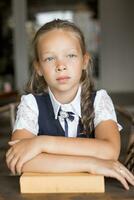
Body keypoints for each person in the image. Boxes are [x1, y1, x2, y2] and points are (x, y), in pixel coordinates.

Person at [6, 19, 134, 190]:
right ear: (38, 68)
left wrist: (42, 143)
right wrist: (92, 164)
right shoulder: (31, 105)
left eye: (71, 55)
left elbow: (110, 151)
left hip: (93, 193)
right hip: (45, 193)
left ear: (85, 61)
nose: (61, 66)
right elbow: (20, 160)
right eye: (50, 58)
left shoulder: (99, 101)